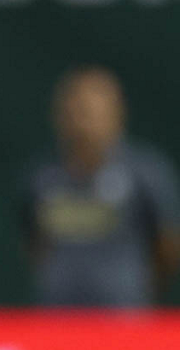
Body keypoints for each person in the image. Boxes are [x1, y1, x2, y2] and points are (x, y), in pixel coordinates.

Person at [23, 67, 180, 306]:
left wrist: (136, 286)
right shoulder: (42, 177)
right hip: (57, 315)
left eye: (89, 112)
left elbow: (167, 246)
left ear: (116, 114)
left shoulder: (146, 174)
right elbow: (35, 243)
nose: (81, 123)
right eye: (72, 111)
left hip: (123, 315)